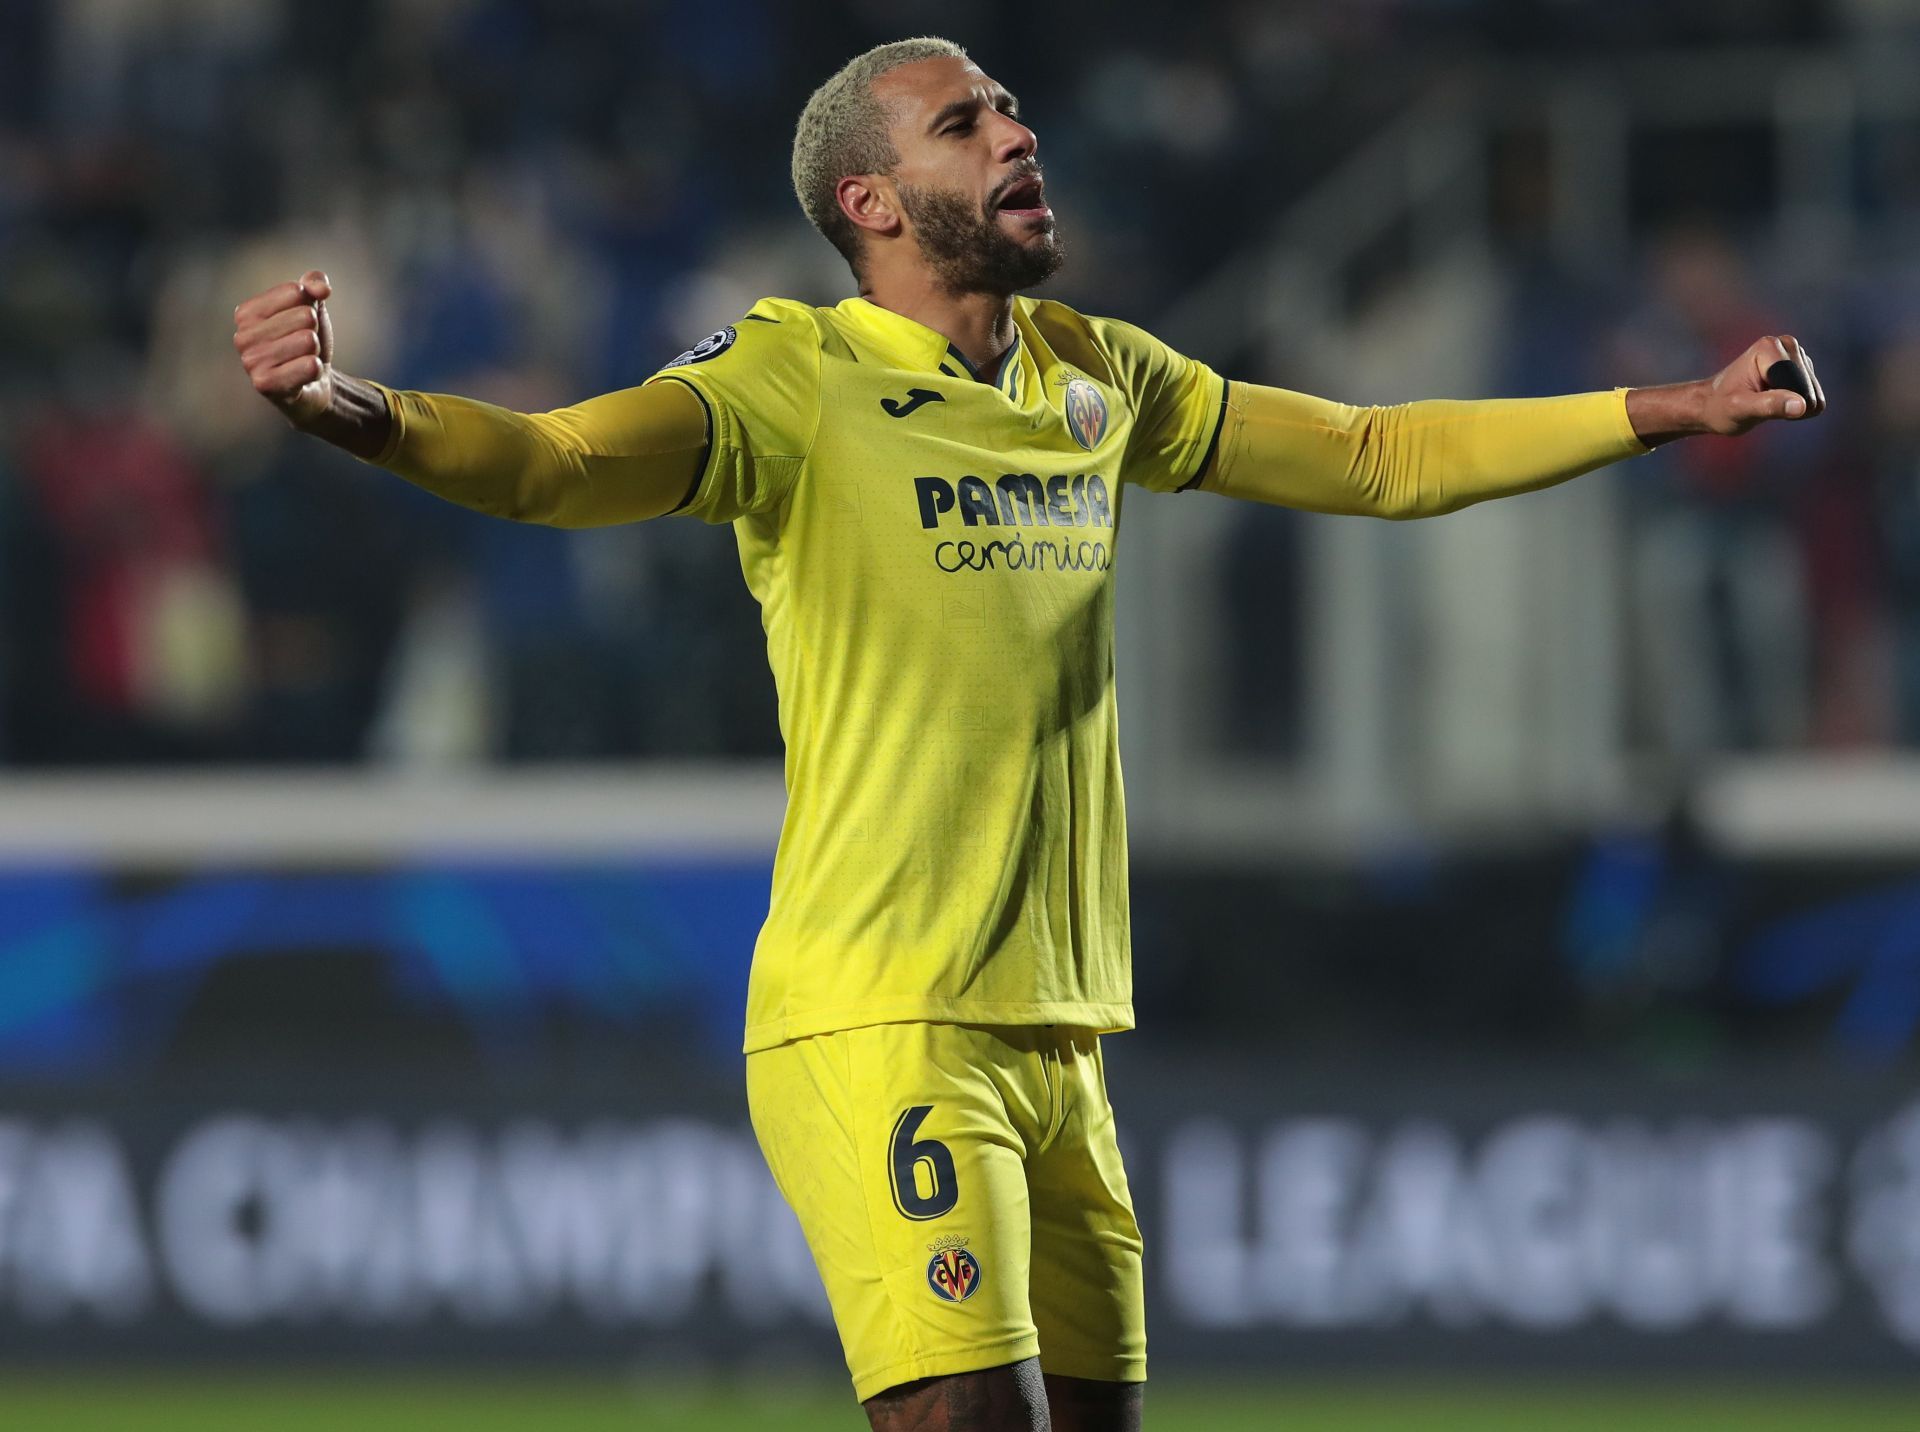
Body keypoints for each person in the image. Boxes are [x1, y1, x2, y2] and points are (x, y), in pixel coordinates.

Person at [231, 35, 1825, 1432]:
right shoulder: (794, 377)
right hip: (883, 1015)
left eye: (1012, 111)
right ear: (869, 201)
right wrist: (354, 408)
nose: (1018, 134)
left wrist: (1659, 411)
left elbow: (1375, 452)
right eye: (965, 123)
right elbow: (554, 466)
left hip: (1061, 1036)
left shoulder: (1091, 374)